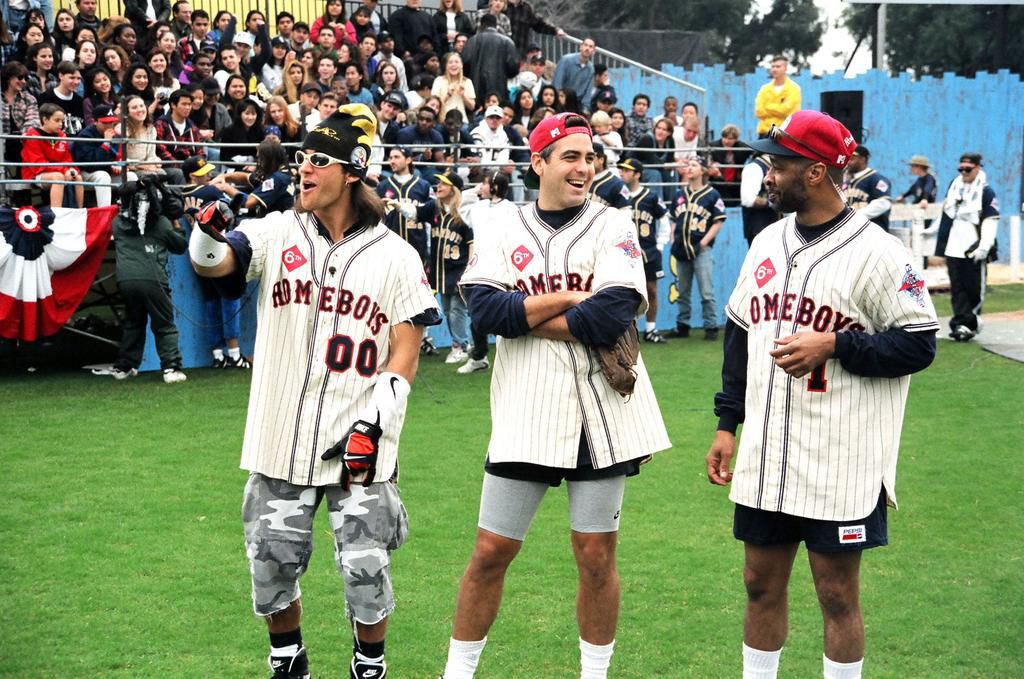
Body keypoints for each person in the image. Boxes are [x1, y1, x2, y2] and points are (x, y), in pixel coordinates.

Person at [188, 103, 440, 679]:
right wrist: (206, 232)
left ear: (352, 172)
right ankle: (288, 658)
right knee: (271, 565)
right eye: (301, 157)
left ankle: (368, 664)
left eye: (318, 160)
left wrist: (376, 423)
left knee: (366, 571)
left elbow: (405, 351)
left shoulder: (396, 255)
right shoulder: (277, 231)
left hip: (360, 443)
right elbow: (216, 263)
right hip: (281, 436)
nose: (303, 168)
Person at [707, 110, 939, 679]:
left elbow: (918, 344)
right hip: (767, 449)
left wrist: (835, 344)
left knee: (836, 595)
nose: (767, 174)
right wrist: (727, 423)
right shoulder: (767, 240)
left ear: (814, 172)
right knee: (759, 584)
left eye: (778, 164)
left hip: (841, 457)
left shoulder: (881, 252)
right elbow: (739, 331)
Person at [440, 112, 671, 679]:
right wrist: (568, 298)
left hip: (601, 413)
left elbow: (609, 315)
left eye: (589, 158)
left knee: (595, 556)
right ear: (538, 162)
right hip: (526, 407)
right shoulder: (501, 224)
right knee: (491, 551)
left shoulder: (613, 223)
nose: (583, 168)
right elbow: (484, 311)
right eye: (570, 157)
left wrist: (523, 314)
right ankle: (457, 673)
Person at [111, 176, 188, 383]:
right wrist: (176, 223)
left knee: (134, 322)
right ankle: (171, 368)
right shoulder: (161, 224)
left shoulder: (117, 223)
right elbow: (180, 246)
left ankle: (124, 367)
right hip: (153, 280)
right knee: (164, 325)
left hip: (125, 280)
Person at [401, 169, 473, 364]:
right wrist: (397, 205)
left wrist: (469, 271)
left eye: (443, 184)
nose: (438, 187)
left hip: (458, 269)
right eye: (438, 183)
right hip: (441, 271)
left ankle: (460, 346)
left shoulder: (465, 213)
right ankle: (461, 344)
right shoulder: (434, 207)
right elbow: (414, 213)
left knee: (457, 310)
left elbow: (471, 244)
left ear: (454, 189)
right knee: (448, 310)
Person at [932, 152, 999, 343]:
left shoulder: (986, 192)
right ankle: (960, 324)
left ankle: (971, 322)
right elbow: (947, 214)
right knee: (957, 288)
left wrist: (984, 246)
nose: (963, 173)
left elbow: (990, 220)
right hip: (954, 247)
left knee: (974, 288)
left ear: (978, 168)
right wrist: (933, 235)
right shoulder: (954, 188)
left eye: (968, 169)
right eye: (960, 169)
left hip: (973, 248)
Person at [456, 170, 514, 373]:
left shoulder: (511, 210)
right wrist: (476, 190)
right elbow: (463, 207)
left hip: (501, 270)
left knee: (503, 314)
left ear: (495, 186)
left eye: (485, 183)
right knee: (476, 315)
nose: (481, 186)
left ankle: (506, 357)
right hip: (478, 268)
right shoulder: (479, 207)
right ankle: (479, 357)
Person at [669, 156, 725, 339]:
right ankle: (682, 326)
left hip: (701, 250)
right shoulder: (679, 194)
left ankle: (711, 327)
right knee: (683, 291)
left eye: (694, 165)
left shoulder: (712, 194)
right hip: (681, 248)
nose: (690, 168)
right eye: (688, 165)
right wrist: (673, 238)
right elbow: (674, 219)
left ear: (703, 170)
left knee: (706, 291)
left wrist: (703, 243)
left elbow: (718, 222)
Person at [617, 158, 668, 343]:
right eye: (621, 170)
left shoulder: (650, 196)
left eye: (627, 170)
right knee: (625, 292)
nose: (622, 173)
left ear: (637, 174)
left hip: (648, 251)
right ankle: (626, 330)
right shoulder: (618, 195)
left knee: (651, 290)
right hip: (624, 252)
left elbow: (664, 219)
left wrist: (660, 245)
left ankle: (651, 329)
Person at [21, 102, 85, 207]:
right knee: (58, 177)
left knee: (77, 177)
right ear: (45, 120)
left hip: (58, 171)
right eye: (57, 120)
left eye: (62, 121)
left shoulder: (62, 136)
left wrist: (72, 170)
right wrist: (64, 170)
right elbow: (38, 165)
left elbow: (67, 159)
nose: (61, 124)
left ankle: (79, 212)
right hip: (34, 175)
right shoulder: (32, 136)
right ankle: (56, 214)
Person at [211, 137, 295, 217]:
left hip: (274, 223)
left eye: (261, 159)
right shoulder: (277, 172)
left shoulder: (277, 178)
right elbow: (245, 177)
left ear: (269, 158)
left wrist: (226, 188)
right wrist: (225, 177)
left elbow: (249, 202)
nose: (259, 162)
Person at [377, 146, 432, 263]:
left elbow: (430, 218)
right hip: (390, 246)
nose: (392, 161)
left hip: (417, 244)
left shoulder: (424, 186)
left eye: (397, 157)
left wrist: (429, 246)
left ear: (408, 160)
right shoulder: (383, 186)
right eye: (390, 158)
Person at [70, 103, 120, 207]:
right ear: (95, 121)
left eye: (111, 122)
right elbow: (90, 165)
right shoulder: (85, 136)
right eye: (105, 123)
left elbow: (114, 157)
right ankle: (104, 212)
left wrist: (117, 166)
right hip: (84, 173)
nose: (109, 126)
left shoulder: (113, 135)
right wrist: (105, 144)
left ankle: (128, 210)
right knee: (103, 176)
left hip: (105, 170)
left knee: (131, 177)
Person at [461, 13, 517, 106]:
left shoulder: (471, 41)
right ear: (496, 25)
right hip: (499, 89)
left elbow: (464, 63)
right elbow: (513, 68)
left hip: (476, 88)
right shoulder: (507, 42)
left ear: (481, 25)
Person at [842, 145, 892, 232]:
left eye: (852, 158)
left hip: (872, 232)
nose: (848, 162)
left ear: (863, 159)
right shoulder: (845, 180)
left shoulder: (877, 179)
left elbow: (883, 203)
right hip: (851, 231)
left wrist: (855, 217)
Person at [754, 55, 801, 138]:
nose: (774, 69)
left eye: (778, 66)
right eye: (773, 66)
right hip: (765, 132)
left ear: (785, 68)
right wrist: (779, 109)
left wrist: (768, 107)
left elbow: (787, 112)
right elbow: (759, 111)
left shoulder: (794, 88)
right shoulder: (765, 89)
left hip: (784, 133)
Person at [739, 151, 778, 246]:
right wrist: (772, 203)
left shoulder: (771, 167)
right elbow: (748, 200)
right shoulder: (754, 167)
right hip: (758, 226)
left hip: (773, 226)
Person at [708, 123, 750, 206]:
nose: (727, 141)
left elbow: (753, 151)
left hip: (736, 181)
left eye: (730, 139)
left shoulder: (742, 147)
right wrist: (712, 163)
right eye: (724, 137)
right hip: (719, 180)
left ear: (736, 139)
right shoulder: (713, 146)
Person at [432, 51, 475, 122]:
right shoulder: (438, 80)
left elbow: (472, 107)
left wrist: (463, 95)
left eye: (456, 62)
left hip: (462, 121)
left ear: (461, 65)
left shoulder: (467, 81)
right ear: (446, 65)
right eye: (450, 62)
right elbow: (434, 105)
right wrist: (448, 94)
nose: (453, 64)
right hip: (443, 120)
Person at [552, 37, 595, 108]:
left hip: (577, 103)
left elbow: (588, 91)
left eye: (590, 47)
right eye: (585, 45)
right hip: (561, 100)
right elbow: (557, 82)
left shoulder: (591, 68)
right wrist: (558, 101)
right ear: (580, 47)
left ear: (593, 51)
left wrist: (586, 107)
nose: (587, 48)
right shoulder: (566, 60)